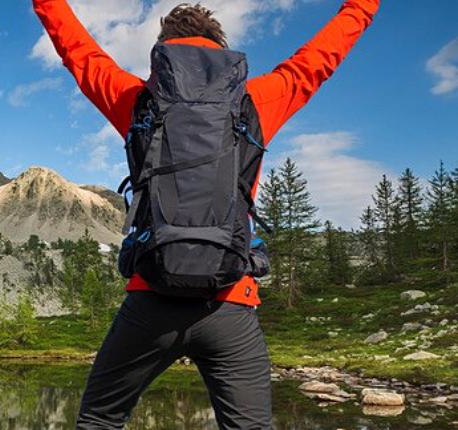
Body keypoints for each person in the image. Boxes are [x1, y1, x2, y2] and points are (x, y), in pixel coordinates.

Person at [32, 0, 381, 429]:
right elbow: (320, 58)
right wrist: (363, 6)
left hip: (150, 300)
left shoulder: (138, 100)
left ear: (161, 56)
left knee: (100, 420)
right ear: (221, 50)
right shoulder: (257, 100)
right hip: (229, 306)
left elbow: (77, 51)